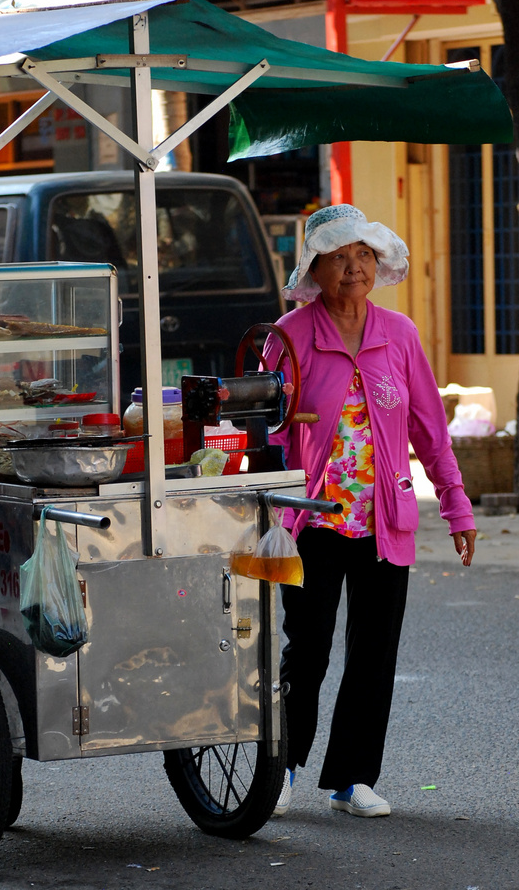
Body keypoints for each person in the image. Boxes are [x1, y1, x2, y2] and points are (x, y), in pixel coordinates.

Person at [260, 205, 476, 819]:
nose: (353, 268)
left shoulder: (400, 335)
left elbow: (431, 433)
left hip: (385, 522)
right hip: (314, 522)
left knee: (375, 653)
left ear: (377, 265)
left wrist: (457, 510)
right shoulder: (289, 336)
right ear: (317, 269)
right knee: (307, 651)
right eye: (339, 257)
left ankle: (352, 778)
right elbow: (264, 427)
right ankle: (284, 769)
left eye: (363, 256)